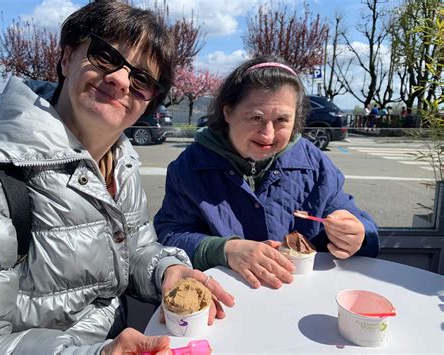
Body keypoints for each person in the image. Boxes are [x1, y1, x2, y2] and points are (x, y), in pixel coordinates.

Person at [0, 3, 234, 354]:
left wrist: (165, 269)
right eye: (106, 56)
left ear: (148, 103)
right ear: (66, 58)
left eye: (142, 80)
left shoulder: (120, 163)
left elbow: (135, 249)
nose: (121, 79)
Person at [154, 55, 380, 290]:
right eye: (256, 118)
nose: (268, 135)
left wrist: (359, 235)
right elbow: (170, 235)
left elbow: (354, 219)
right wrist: (225, 249)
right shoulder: (190, 167)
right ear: (228, 113)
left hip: (299, 297)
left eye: (282, 120)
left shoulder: (314, 164)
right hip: (223, 299)